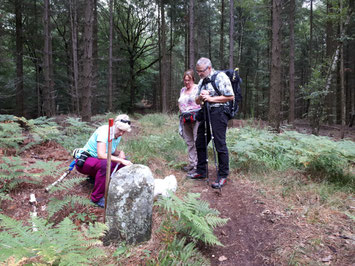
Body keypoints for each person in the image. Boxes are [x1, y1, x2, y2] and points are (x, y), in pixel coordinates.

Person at [190, 57, 234, 189]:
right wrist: (201, 97)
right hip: (206, 113)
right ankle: (201, 171)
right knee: (200, 142)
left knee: (219, 144)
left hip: (219, 113)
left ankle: (223, 175)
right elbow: (197, 101)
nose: (199, 74)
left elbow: (230, 96)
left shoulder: (220, 77)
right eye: (197, 71)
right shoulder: (202, 81)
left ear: (209, 68)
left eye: (201, 71)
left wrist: (211, 98)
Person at [75, 114, 133, 207]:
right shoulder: (104, 132)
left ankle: (95, 179)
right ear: (114, 125)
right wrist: (120, 160)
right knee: (106, 164)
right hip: (85, 161)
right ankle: (96, 198)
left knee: (124, 163)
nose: (121, 133)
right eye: (120, 130)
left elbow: (111, 151)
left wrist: (120, 153)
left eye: (124, 131)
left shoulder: (118, 134)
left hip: (96, 161)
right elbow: (101, 154)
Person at [178, 69, 201, 177]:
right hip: (185, 118)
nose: (187, 82)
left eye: (189, 80)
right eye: (185, 80)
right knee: (189, 142)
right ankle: (192, 164)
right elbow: (180, 102)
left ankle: (198, 166)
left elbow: (200, 102)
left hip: (196, 118)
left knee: (197, 141)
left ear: (193, 79)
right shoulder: (182, 90)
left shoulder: (197, 88)